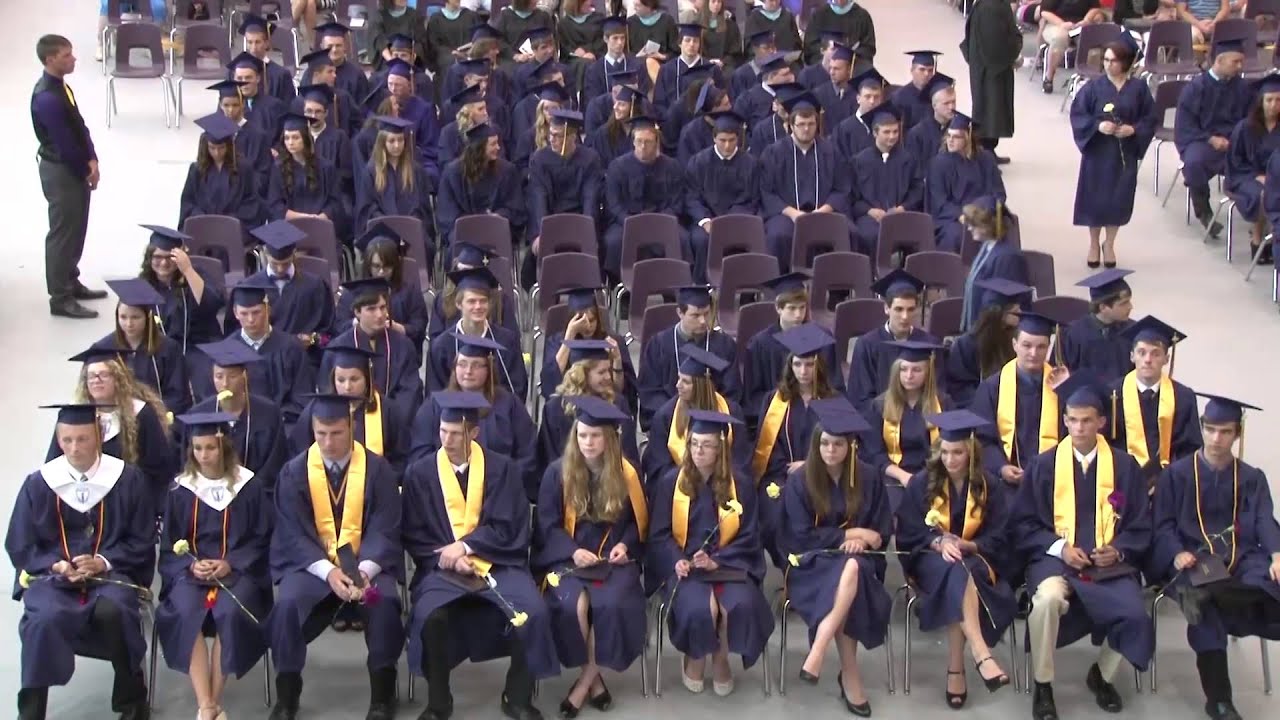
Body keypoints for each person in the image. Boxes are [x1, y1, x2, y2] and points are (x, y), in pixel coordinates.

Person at [401, 391, 559, 720]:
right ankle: (439, 702)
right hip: (441, 568)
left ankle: (516, 697)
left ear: (474, 433)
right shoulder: (420, 473)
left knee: (533, 612)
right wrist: (449, 558)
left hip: (499, 563)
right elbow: (414, 533)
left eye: (456, 433)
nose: (447, 439)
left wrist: (467, 546)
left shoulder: (503, 469)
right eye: (443, 431)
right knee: (431, 617)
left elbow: (511, 525)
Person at [1013, 374, 1155, 720]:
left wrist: (1118, 550)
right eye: (1072, 420)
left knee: (1136, 614)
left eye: (1087, 420)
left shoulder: (1124, 465)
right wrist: (1059, 547)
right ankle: (1043, 683)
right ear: (1064, 420)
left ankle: (1102, 675)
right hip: (1056, 561)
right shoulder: (1043, 465)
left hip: (1108, 563)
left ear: (1101, 422)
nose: (1078, 427)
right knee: (1046, 601)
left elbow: (1139, 522)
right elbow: (1023, 524)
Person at [9, 404, 156, 720]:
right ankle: (31, 713)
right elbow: (21, 543)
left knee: (116, 611)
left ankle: (132, 704)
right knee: (42, 618)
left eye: (83, 439)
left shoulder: (128, 479)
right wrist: (55, 564)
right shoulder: (40, 483)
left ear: (99, 436)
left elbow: (142, 539)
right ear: (58, 440)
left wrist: (103, 561)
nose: (74, 448)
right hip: (54, 579)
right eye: (67, 440)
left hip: (111, 576)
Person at [266, 394, 405, 720]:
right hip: (312, 568)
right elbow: (292, 534)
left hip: (367, 567)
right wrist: (329, 572)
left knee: (382, 602)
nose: (328, 442)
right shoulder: (294, 472)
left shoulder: (378, 469)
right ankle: (287, 695)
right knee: (287, 604)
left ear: (351, 427)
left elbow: (385, 528)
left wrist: (364, 572)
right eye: (320, 433)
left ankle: (382, 696)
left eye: (337, 433)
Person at [1151, 392, 1280, 720]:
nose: (1216, 438)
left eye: (1225, 431)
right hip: (1194, 559)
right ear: (1202, 428)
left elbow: (1265, 518)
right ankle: (1219, 700)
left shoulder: (1252, 477)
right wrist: (1176, 552)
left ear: (1237, 433)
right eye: (1210, 429)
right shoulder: (1177, 474)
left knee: (1266, 580)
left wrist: (1278, 554)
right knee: (1205, 611)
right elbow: (1162, 524)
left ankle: (1215, 597)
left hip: (1242, 556)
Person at [534, 396, 648, 716]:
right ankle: (594, 681)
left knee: (611, 604)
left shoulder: (628, 474)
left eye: (595, 435)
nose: (588, 442)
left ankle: (583, 684)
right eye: (582, 435)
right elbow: (546, 525)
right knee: (574, 605)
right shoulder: (557, 473)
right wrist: (572, 551)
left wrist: (625, 545)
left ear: (610, 439)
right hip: (568, 560)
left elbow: (638, 524)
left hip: (613, 563)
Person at [647, 409, 774, 697]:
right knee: (700, 607)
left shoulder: (739, 484)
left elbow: (750, 535)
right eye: (694, 443)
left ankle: (719, 657)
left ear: (721, 450)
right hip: (687, 570)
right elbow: (659, 535)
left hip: (729, 565)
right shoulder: (671, 482)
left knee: (738, 606)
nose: (699, 450)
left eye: (706, 445)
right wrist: (676, 559)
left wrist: (718, 560)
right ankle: (696, 656)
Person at [156, 412, 272, 720]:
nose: (204, 455)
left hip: (238, 574)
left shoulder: (248, 486)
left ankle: (211, 702)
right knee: (185, 610)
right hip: (191, 576)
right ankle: (207, 705)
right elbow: (170, 543)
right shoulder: (181, 490)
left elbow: (262, 539)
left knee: (230, 612)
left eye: (210, 447)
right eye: (197, 448)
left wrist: (231, 562)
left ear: (224, 447)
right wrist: (189, 566)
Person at [896, 410, 1015, 709]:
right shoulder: (922, 484)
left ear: (971, 453)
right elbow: (908, 532)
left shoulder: (990, 486)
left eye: (958, 452)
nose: (951, 459)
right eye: (946, 452)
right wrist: (936, 542)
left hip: (976, 560)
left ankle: (956, 669)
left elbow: (1001, 535)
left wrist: (968, 545)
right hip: (929, 563)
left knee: (961, 573)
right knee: (956, 572)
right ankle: (980, 652)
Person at [778, 398, 889, 715]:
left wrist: (865, 543)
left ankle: (821, 643)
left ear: (850, 446)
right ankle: (850, 675)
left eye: (837, 444)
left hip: (862, 564)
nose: (830, 450)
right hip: (811, 564)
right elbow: (798, 536)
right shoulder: (800, 481)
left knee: (853, 568)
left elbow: (879, 532)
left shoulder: (868, 477)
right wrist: (851, 536)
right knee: (850, 575)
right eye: (824, 443)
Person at [752, 325, 842, 567]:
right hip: (782, 475)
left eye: (810, 365)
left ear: (819, 366)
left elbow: (843, 444)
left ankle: (818, 570)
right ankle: (789, 571)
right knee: (774, 514)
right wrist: (791, 469)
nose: (804, 371)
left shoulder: (833, 400)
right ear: (790, 366)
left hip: (824, 475)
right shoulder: (774, 401)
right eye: (798, 365)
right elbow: (769, 448)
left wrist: (811, 464)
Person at [413, 333, 540, 498]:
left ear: (489, 370)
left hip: (499, 493)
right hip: (445, 494)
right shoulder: (434, 405)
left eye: (476, 365)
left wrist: (498, 483)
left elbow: (527, 455)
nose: (468, 371)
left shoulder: (510, 405)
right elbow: (420, 454)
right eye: (462, 364)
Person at [1070, 35, 1157, 268]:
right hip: (1098, 152)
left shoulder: (1139, 89)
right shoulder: (1093, 87)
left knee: (1117, 198)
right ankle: (1093, 243)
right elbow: (1078, 114)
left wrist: (1133, 129)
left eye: (1114, 60)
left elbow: (1150, 118)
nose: (1108, 64)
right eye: (1106, 60)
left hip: (1124, 153)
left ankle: (1109, 243)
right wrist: (1098, 125)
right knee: (1095, 198)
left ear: (1125, 62)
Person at [33, 34, 102, 318]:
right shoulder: (46, 98)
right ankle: (59, 297)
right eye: (66, 55)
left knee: (77, 227)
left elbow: (79, 124)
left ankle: (71, 280)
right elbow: (64, 143)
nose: (73, 59)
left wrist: (93, 157)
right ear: (50, 60)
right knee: (63, 232)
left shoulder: (62, 87)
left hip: (75, 166)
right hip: (61, 170)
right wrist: (86, 170)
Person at [52, 345, 174, 502]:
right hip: (83, 498)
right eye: (91, 376)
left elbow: (159, 469)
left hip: (128, 501)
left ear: (118, 379)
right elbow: (55, 462)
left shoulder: (141, 413)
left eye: (104, 375)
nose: (97, 380)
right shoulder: (75, 414)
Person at [194, 277, 315, 426]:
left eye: (256, 312)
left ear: (267, 310)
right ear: (235, 313)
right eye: (244, 313)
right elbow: (213, 399)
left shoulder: (291, 348)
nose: (251, 320)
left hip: (282, 424)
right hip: (236, 425)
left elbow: (301, 397)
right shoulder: (226, 351)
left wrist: (272, 418)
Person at [969, 312, 1070, 486]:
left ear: (1048, 349)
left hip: (1054, 480)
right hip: (1005, 483)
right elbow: (982, 439)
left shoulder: (1062, 387)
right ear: (1015, 345)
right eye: (1027, 345)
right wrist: (1001, 467)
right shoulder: (992, 388)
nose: (1033, 353)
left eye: (1041, 347)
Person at [759, 91, 854, 270]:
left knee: (848, 231)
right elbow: (766, 191)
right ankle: (784, 287)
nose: (806, 128)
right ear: (790, 126)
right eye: (801, 124)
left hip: (824, 212)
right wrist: (793, 213)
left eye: (811, 124)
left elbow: (842, 188)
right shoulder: (774, 153)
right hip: (787, 215)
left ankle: (838, 290)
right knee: (778, 236)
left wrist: (824, 210)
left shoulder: (830, 151)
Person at [1106, 316, 1201, 487]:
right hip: (1122, 481)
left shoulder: (1184, 396)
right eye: (1142, 352)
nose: (1148, 360)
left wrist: (1167, 476)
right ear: (1132, 356)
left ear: (1166, 358)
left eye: (1155, 353)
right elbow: (1104, 442)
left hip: (1170, 483)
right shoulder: (1112, 394)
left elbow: (1190, 447)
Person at [183, 340, 288, 494]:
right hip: (208, 495)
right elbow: (190, 464)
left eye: (232, 376)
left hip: (257, 496)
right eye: (219, 376)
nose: (225, 383)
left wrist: (249, 492)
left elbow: (274, 465)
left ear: (244, 376)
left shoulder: (268, 413)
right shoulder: (198, 414)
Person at [291, 346, 408, 478]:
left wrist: (380, 480)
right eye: (341, 380)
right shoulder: (317, 409)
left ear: (367, 378)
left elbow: (400, 457)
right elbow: (299, 451)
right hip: (323, 485)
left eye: (354, 379)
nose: (347, 387)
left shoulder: (388, 410)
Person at [1176, 31, 1251, 237]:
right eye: (1235, 62)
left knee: (1260, 161)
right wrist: (1211, 139)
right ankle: (1204, 212)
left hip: (1237, 143)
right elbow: (1186, 125)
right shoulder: (1195, 88)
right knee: (1194, 162)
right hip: (1203, 140)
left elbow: (1252, 120)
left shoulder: (1243, 87)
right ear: (1220, 60)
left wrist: (1238, 139)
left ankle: (1256, 214)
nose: (1240, 67)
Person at [319, 277, 425, 423]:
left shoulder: (404, 345)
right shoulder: (336, 349)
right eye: (371, 309)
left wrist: (388, 422)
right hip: (349, 424)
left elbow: (409, 393)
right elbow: (329, 393)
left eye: (383, 307)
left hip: (394, 425)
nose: (380, 315)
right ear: (357, 312)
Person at [742, 274, 844, 422]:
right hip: (778, 418)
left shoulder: (821, 338)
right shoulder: (760, 344)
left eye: (802, 308)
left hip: (818, 416)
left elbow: (835, 385)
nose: (798, 315)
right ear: (778, 308)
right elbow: (753, 397)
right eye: (792, 308)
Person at [637, 284, 741, 428]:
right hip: (670, 423)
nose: (703, 321)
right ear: (680, 313)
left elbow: (731, 391)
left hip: (714, 423)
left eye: (706, 313)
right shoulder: (659, 345)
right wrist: (678, 415)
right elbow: (650, 392)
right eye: (695, 315)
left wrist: (709, 415)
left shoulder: (724, 345)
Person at [643, 343, 750, 483]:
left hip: (722, 484)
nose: (678, 385)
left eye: (685, 382)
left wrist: (715, 478)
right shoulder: (665, 416)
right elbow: (658, 466)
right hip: (680, 486)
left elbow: (740, 461)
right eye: (679, 378)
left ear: (702, 386)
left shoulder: (732, 412)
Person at [862, 341, 950, 511]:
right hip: (893, 477)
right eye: (904, 369)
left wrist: (927, 476)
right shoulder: (879, 406)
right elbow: (874, 453)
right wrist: (902, 476)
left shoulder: (943, 403)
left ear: (928, 373)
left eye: (917, 370)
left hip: (935, 475)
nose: (909, 375)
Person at [603, 115, 688, 281]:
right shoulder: (618, 167)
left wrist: (658, 222)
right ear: (633, 142)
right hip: (626, 223)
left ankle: (672, 291)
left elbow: (676, 203)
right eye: (639, 141)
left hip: (663, 222)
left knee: (682, 238)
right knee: (613, 242)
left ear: (656, 143)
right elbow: (614, 205)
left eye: (648, 142)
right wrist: (631, 222)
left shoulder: (672, 167)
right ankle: (624, 292)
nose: (643, 146)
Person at [427, 268, 528, 401]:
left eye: (483, 301)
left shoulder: (507, 341)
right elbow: (435, 396)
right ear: (458, 304)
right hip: (455, 417)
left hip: (500, 415)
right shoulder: (440, 346)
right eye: (471, 301)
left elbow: (518, 388)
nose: (478, 306)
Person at [235, 221, 336, 356]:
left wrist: (313, 339)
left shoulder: (314, 285)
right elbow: (235, 334)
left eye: (286, 263)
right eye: (275, 263)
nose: (280, 269)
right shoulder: (248, 286)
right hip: (262, 360)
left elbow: (329, 335)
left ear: (294, 253)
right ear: (265, 253)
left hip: (303, 359)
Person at [538, 339, 641, 468]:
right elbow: (547, 458)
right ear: (582, 374)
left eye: (608, 370)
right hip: (566, 480)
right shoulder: (555, 409)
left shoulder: (617, 404)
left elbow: (629, 455)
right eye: (601, 372)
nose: (608, 377)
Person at [684, 111, 759, 282]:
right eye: (722, 140)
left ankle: (746, 291)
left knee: (750, 238)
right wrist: (705, 220)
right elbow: (691, 197)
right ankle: (702, 290)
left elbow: (751, 199)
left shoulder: (750, 164)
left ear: (738, 139)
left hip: (738, 221)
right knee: (700, 240)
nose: (727, 146)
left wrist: (729, 222)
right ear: (714, 138)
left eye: (732, 140)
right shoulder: (698, 162)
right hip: (706, 223)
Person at [846, 270, 937, 411]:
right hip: (879, 422)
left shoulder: (930, 344)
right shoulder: (867, 345)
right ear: (886, 309)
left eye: (911, 309)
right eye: (899, 309)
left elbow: (938, 393)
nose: (905, 316)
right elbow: (860, 398)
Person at [341, 224, 430, 364]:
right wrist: (361, 322)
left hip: (398, 357)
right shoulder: (353, 292)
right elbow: (339, 325)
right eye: (376, 266)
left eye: (387, 266)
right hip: (358, 357)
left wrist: (398, 328)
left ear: (396, 265)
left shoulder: (409, 291)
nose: (382, 272)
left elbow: (419, 326)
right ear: (367, 264)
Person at [102, 278, 191, 416]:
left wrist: (150, 415)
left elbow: (178, 396)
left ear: (148, 317)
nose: (129, 323)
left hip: (158, 418)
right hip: (117, 416)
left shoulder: (169, 349)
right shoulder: (104, 348)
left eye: (135, 317)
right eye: (123, 317)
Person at [436, 124, 527, 251]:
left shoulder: (507, 171)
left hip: (496, 231)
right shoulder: (452, 173)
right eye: (493, 144)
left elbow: (516, 208)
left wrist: (498, 216)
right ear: (479, 147)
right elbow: (447, 214)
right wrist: (473, 225)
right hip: (463, 235)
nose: (498, 147)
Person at [539, 287, 636, 405]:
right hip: (569, 403)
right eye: (581, 320)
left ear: (598, 318)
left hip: (605, 403)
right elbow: (550, 385)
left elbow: (620, 392)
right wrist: (569, 336)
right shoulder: (556, 342)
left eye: (592, 320)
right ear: (571, 320)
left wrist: (617, 361)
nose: (588, 326)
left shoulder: (613, 342)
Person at [851, 102, 925, 256]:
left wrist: (902, 208)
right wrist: (869, 210)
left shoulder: (908, 159)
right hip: (870, 218)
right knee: (869, 235)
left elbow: (917, 190)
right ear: (875, 133)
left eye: (895, 131)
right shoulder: (860, 161)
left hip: (901, 215)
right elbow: (852, 194)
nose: (892, 136)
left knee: (918, 233)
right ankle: (871, 276)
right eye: (886, 132)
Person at [137, 225, 225, 354]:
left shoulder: (197, 274)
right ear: (149, 257)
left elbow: (212, 305)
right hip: (160, 350)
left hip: (199, 347)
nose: (164, 263)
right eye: (157, 257)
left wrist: (187, 270)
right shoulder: (143, 285)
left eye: (169, 257)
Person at [928, 112, 1008, 253]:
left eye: (956, 137)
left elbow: (998, 193)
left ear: (968, 138)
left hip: (983, 214)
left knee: (997, 231)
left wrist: (984, 212)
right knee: (956, 235)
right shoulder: (938, 163)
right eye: (949, 136)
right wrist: (962, 215)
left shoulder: (986, 159)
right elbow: (939, 201)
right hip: (953, 218)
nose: (951, 140)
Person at [528, 110, 604, 254]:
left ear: (572, 137)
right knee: (534, 258)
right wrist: (543, 232)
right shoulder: (539, 160)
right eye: (551, 134)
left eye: (557, 135)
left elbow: (590, 198)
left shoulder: (590, 159)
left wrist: (588, 232)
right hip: (549, 220)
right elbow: (539, 198)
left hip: (580, 221)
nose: (551, 139)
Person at [946, 280, 1028, 409]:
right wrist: (989, 403)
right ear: (998, 313)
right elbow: (960, 388)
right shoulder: (966, 345)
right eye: (1015, 312)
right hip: (979, 410)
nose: (1020, 313)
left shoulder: (1016, 340)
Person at [266, 114, 348, 240]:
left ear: (305, 138)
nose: (290, 142)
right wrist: (304, 218)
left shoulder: (326, 167)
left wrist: (321, 218)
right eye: (287, 138)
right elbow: (276, 205)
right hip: (290, 227)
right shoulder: (279, 168)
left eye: (295, 137)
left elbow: (335, 202)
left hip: (321, 226)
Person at [1227, 74, 1280, 266]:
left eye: (1278, 100)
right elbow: (1235, 161)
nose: (1274, 105)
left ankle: (1274, 239)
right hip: (1246, 177)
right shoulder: (1245, 128)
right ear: (1261, 102)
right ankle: (1257, 239)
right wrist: (1257, 176)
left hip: (1277, 178)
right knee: (1263, 194)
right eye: (1269, 100)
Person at [353, 115, 433, 237]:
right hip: (381, 231)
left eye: (400, 140)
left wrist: (409, 224)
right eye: (391, 141)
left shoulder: (416, 170)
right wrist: (388, 225)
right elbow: (367, 207)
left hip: (412, 230)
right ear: (382, 142)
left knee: (420, 244)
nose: (397, 145)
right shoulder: (371, 172)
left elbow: (423, 206)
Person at [962, 0, 1023, 161]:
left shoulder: (993, 3)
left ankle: (989, 151)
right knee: (990, 109)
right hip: (991, 68)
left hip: (991, 66)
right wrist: (1013, 54)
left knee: (993, 109)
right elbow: (995, 43)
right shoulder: (991, 6)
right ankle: (984, 155)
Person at [180, 113, 262, 230]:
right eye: (212, 148)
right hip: (203, 226)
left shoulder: (243, 168)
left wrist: (229, 220)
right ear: (205, 146)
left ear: (229, 146)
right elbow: (188, 201)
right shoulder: (197, 169)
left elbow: (251, 202)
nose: (217, 153)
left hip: (233, 227)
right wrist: (200, 217)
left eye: (221, 148)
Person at [960, 196, 1028, 332]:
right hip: (980, 330)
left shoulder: (1007, 257)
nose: (969, 228)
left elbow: (1000, 302)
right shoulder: (987, 247)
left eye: (974, 224)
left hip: (993, 336)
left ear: (990, 224)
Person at [1060, 268, 1137, 384]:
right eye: (1123, 303)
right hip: (1084, 399)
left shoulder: (1134, 331)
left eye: (1129, 301)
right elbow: (1060, 375)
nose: (1130, 307)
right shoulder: (1071, 334)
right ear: (1103, 308)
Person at [1038, 0, 1106, 94]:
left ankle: (1088, 82)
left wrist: (1086, 20)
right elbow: (1045, 12)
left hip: (1080, 25)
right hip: (1056, 24)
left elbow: (1095, 8)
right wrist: (1062, 24)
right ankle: (1049, 77)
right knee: (1060, 38)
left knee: (1092, 42)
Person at [582, 16, 653, 103]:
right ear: (605, 39)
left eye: (622, 38)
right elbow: (592, 101)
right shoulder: (594, 70)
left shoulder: (637, 65)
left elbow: (644, 96)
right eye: (615, 38)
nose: (620, 43)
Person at [904, 74, 957, 177]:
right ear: (934, 106)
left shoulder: (960, 130)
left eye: (953, 102)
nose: (952, 107)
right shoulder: (916, 135)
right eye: (946, 103)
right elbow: (915, 172)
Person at [801, 0, 875, 73]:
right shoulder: (818, 15)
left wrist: (848, 57)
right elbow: (810, 47)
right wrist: (827, 56)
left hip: (852, 71)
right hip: (822, 71)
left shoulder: (862, 16)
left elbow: (868, 49)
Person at [833, 69, 887, 161]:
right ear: (858, 98)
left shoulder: (886, 127)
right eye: (867, 96)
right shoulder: (844, 129)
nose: (872, 101)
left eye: (876, 97)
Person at [425, 0, 480, 80]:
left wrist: (466, 52)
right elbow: (433, 45)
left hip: (468, 55)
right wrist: (453, 53)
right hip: (445, 58)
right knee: (449, 62)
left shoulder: (471, 16)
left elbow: (478, 38)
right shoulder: (436, 19)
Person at [628, 0, 680, 83]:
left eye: (638, 5)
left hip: (664, 67)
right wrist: (638, 56)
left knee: (651, 62)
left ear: (649, 6)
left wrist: (662, 56)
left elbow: (676, 52)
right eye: (634, 5)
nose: (634, 8)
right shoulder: (630, 23)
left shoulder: (667, 21)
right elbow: (627, 54)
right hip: (638, 68)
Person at [890, 50, 942, 131]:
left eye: (930, 70)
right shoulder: (899, 97)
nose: (926, 74)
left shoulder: (937, 95)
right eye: (922, 69)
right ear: (912, 70)